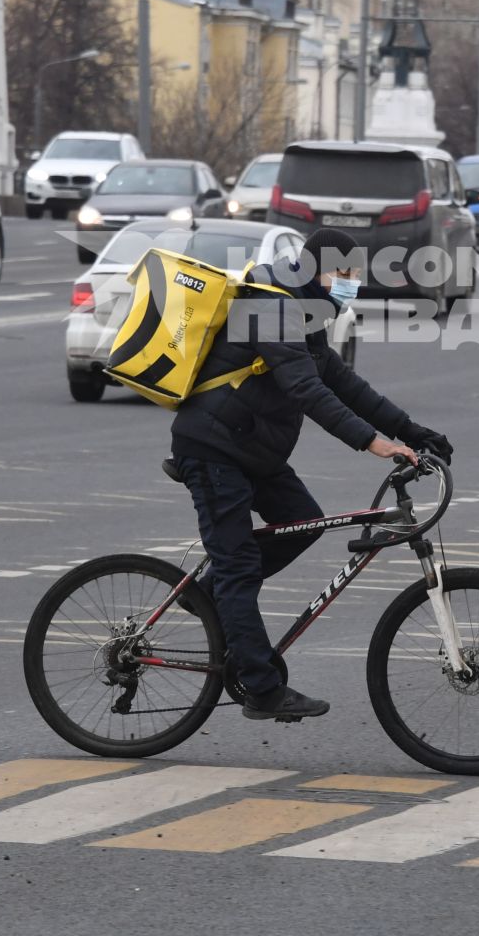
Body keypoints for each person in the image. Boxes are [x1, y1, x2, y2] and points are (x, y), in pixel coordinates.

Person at [169, 226, 453, 722]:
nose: (350, 284)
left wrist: (413, 430)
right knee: (237, 566)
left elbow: (341, 382)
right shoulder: (271, 305)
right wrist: (375, 443)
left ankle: (209, 599)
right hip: (214, 448)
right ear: (311, 269)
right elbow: (306, 390)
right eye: (341, 273)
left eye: (355, 275)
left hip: (249, 447)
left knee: (303, 520)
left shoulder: (307, 310)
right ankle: (261, 688)